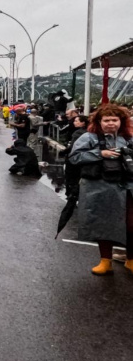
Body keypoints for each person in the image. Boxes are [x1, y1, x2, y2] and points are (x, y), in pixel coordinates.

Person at [68, 103, 133, 276]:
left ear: (121, 121)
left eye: (115, 120)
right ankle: (106, 261)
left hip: (127, 187)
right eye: (106, 120)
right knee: (103, 225)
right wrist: (99, 153)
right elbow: (74, 158)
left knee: (130, 225)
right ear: (99, 121)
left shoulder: (128, 138)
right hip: (99, 187)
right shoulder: (89, 137)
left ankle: (131, 260)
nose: (111, 123)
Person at [61, 115, 89, 199]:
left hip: (74, 158)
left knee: (71, 177)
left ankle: (71, 194)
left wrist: (63, 152)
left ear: (83, 122)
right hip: (85, 158)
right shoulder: (89, 132)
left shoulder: (78, 133)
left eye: (77, 121)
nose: (74, 122)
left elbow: (74, 146)